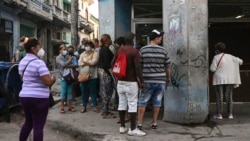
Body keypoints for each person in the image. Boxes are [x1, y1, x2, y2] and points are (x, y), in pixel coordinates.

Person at [18, 37, 56, 141]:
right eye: (39, 47)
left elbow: (23, 79)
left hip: (24, 96)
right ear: (34, 48)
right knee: (38, 126)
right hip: (39, 98)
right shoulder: (39, 63)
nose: (41, 49)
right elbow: (47, 82)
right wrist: (53, 79)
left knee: (28, 123)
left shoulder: (22, 62)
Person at [137, 29, 171, 130]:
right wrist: (168, 77)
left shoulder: (143, 50)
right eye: (160, 38)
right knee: (157, 102)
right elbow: (167, 66)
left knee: (143, 101)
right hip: (160, 80)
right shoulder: (163, 50)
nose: (161, 39)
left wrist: (140, 79)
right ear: (156, 38)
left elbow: (139, 65)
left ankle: (139, 123)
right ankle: (154, 122)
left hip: (147, 80)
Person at [113, 33, 146, 136]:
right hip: (131, 82)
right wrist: (142, 81)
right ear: (132, 41)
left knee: (122, 103)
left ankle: (122, 127)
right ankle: (132, 129)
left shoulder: (119, 50)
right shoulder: (134, 51)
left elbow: (112, 64)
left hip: (120, 82)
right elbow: (138, 68)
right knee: (132, 104)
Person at [210, 42, 243, 120]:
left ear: (217, 50)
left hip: (219, 80)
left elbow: (212, 69)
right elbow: (241, 61)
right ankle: (230, 114)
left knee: (219, 96)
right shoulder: (231, 57)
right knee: (229, 96)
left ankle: (219, 114)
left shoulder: (216, 57)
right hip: (230, 79)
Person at [112, 37, 130, 123]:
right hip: (127, 77)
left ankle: (125, 116)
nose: (116, 48)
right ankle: (127, 115)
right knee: (127, 98)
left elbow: (113, 62)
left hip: (121, 77)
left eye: (117, 46)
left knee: (122, 99)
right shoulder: (130, 51)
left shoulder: (119, 51)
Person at [78, 41, 100, 113]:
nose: (87, 47)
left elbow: (94, 62)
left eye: (88, 45)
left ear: (91, 46)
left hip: (93, 75)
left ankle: (95, 106)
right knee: (84, 91)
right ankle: (84, 106)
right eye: (86, 45)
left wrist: (85, 63)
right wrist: (88, 63)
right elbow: (79, 63)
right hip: (83, 75)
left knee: (93, 91)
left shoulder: (95, 53)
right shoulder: (82, 54)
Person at [98, 34, 115, 118]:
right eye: (110, 39)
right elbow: (106, 64)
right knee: (107, 92)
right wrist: (110, 74)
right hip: (105, 72)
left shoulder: (104, 49)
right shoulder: (105, 49)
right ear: (107, 40)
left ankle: (105, 110)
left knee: (106, 91)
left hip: (103, 72)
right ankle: (105, 111)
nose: (111, 40)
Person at [56, 44, 76, 113]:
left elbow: (74, 65)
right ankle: (62, 107)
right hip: (63, 77)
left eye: (65, 49)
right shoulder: (58, 57)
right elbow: (63, 65)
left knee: (70, 91)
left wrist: (68, 64)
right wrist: (69, 61)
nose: (65, 51)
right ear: (60, 50)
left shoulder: (67, 56)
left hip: (70, 76)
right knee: (63, 92)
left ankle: (70, 106)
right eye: (63, 49)